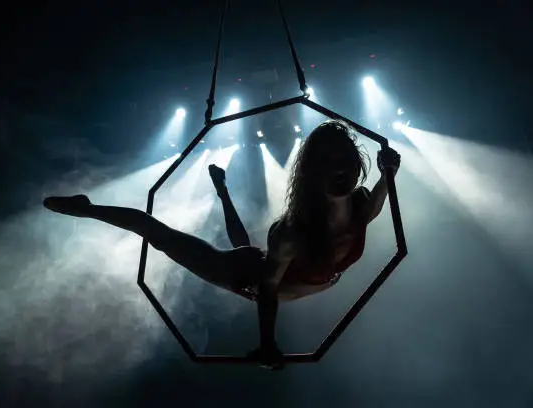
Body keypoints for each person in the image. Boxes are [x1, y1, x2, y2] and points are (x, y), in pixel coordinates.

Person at [43, 120, 401, 370]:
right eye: (328, 164)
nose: (339, 171)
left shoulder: (361, 204)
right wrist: (267, 343)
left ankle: (221, 190)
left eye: (344, 162)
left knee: (244, 247)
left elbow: (373, 207)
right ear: (313, 173)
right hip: (250, 276)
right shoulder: (291, 233)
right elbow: (267, 288)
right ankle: (86, 208)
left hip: (265, 264)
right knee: (163, 237)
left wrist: (388, 176)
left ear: (357, 164)